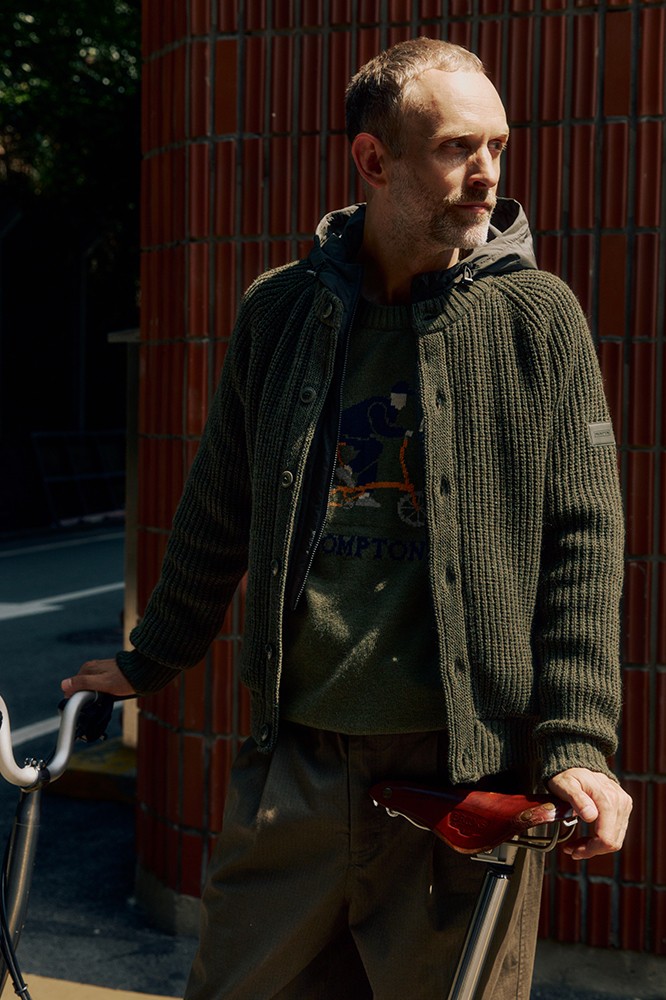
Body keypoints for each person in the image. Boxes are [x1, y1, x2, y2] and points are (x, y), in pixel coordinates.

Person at [63, 37, 632, 1000]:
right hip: (295, 770)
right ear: (373, 159)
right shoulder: (280, 313)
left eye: (497, 145)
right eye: (456, 147)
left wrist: (579, 742)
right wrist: (151, 656)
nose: (487, 173)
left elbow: (584, 539)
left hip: (463, 782)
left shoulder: (538, 318)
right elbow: (220, 503)